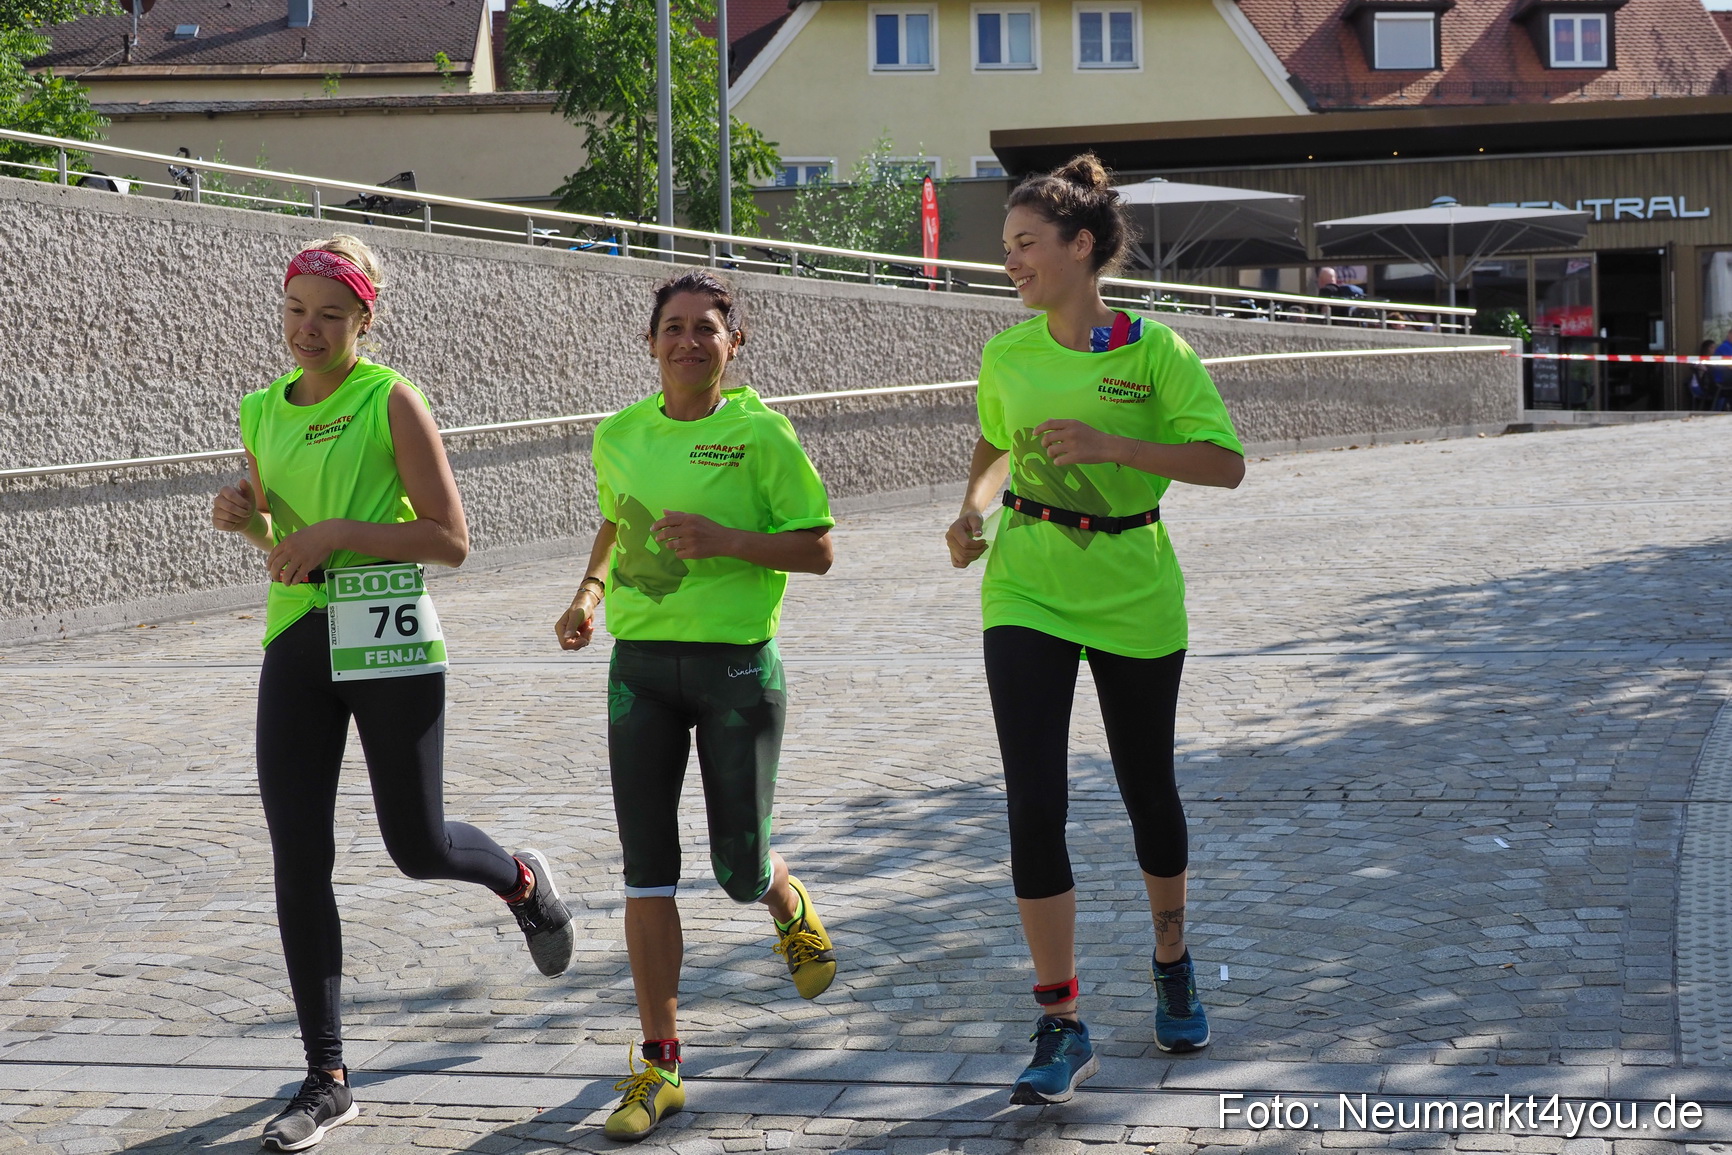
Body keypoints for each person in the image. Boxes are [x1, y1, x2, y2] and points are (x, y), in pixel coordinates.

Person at [211, 235, 575, 1152]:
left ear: (364, 320)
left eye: (330, 315)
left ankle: (521, 880)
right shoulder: (260, 409)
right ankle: (327, 1076)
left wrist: (339, 529)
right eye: (296, 310)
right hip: (297, 639)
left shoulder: (390, 400)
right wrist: (246, 519)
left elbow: (450, 539)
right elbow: (284, 542)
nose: (308, 329)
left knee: (418, 845)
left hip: (388, 638)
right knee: (299, 854)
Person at [945, 154, 1246, 1106]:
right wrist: (973, 509)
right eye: (1006, 247)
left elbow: (1224, 462)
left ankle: (1172, 961)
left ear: (1081, 246)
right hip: (1026, 583)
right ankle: (1061, 1020)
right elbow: (995, 444)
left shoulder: (1154, 352)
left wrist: (1114, 444)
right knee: (1034, 801)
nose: (1011, 261)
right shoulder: (1009, 353)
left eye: (1025, 244)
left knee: (1147, 789)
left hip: (1133, 586)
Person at [554, 270, 839, 1143]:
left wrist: (726, 542)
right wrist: (589, 592)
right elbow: (616, 521)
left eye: (705, 328)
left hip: (737, 669)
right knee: (646, 870)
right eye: (672, 327)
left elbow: (818, 547)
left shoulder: (761, 433)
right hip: (640, 669)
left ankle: (783, 898)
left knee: (737, 868)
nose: (687, 341)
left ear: (732, 343)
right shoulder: (618, 434)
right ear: (650, 342)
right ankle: (661, 1063)